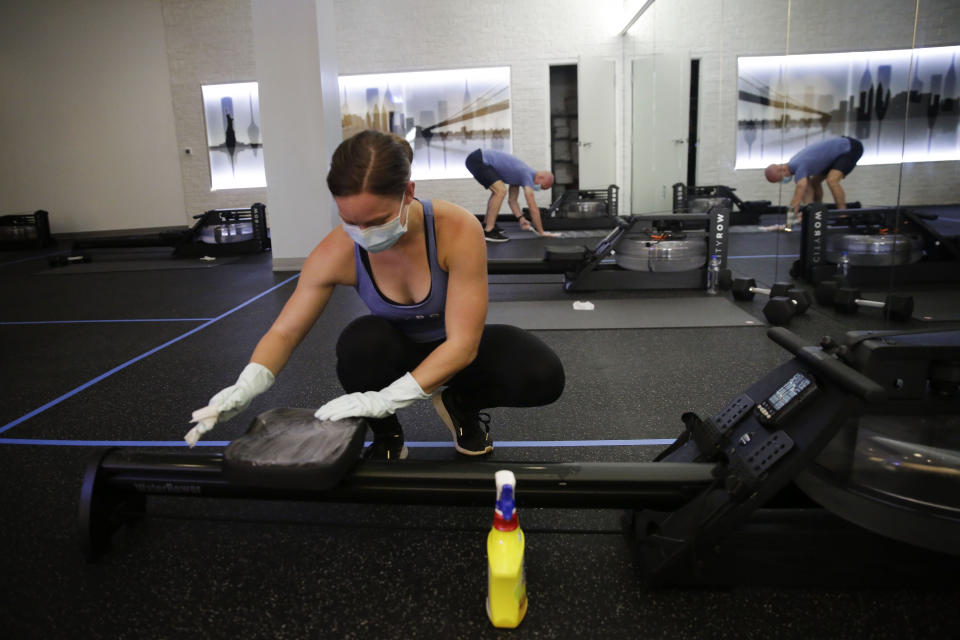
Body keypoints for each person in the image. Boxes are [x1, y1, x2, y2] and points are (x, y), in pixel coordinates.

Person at [185, 130, 566, 460]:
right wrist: (248, 383)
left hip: (455, 346)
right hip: (395, 349)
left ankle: (460, 404)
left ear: (408, 193)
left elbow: (464, 345)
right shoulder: (334, 252)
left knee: (541, 374)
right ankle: (386, 434)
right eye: (351, 221)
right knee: (360, 343)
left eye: (378, 220)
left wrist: (386, 398)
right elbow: (285, 332)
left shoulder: (455, 229)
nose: (364, 233)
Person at [764, 136, 863, 229]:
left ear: (781, 170)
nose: (782, 182)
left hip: (850, 147)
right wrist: (809, 214)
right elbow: (807, 192)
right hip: (836, 154)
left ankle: (843, 217)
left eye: (780, 180)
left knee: (832, 180)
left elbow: (797, 197)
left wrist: (789, 222)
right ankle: (817, 213)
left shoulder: (798, 166)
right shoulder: (794, 163)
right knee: (815, 182)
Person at [465, 148, 557, 242]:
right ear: (541, 178)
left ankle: (486, 224)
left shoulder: (518, 176)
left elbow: (512, 201)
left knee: (497, 191)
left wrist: (521, 219)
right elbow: (533, 207)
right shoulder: (527, 174)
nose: (539, 189)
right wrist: (541, 231)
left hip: (477, 159)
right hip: (478, 159)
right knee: (500, 191)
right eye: (542, 187)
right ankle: (489, 231)